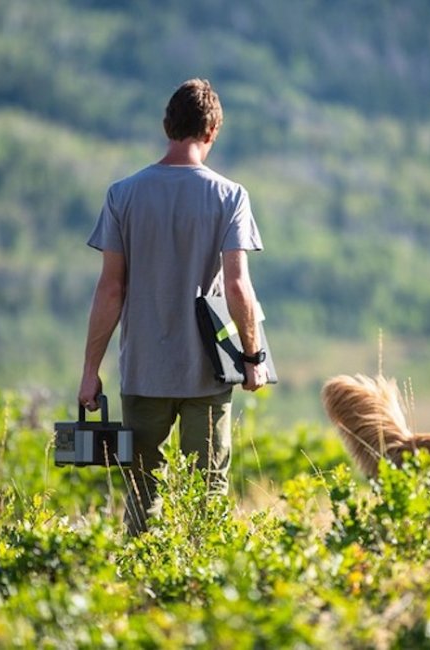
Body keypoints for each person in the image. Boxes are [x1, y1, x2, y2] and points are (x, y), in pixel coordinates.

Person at [77, 78, 268, 534]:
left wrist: (90, 371)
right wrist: (252, 358)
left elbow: (110, 291)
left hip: (143, 371)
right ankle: (203, 594)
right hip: (209, 371)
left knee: (142, 496)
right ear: (212, 131)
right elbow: (239, 286)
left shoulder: (122, 194)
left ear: (168, 126)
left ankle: (139, 592)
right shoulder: (230, 196)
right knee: (209, 494)